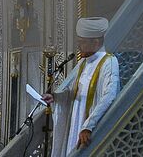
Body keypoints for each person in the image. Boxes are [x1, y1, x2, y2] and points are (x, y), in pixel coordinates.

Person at [45, 17, 119, 155]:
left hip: (88, 129)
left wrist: (88, 127)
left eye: (82, 42)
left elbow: (108, 97)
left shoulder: (109, 62)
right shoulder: (83, 63)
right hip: (75, 124)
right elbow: (73, 93)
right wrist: (55, 97)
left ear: (96, 42)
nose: (78, 47)